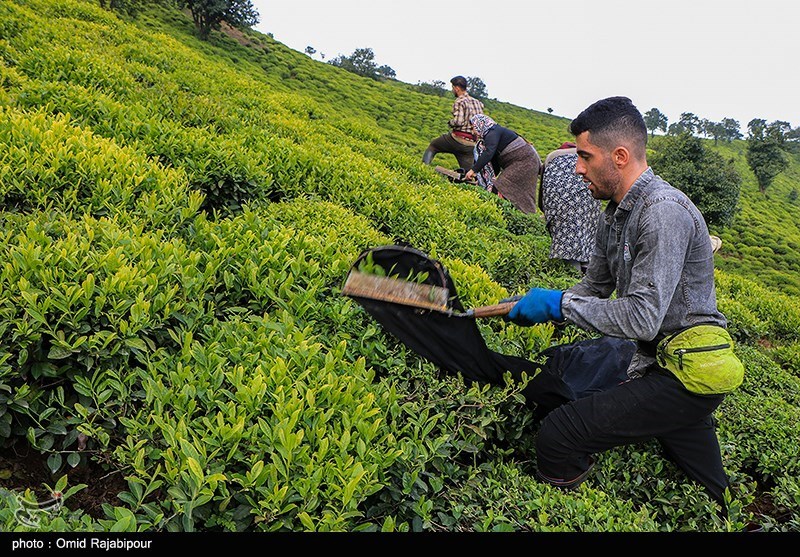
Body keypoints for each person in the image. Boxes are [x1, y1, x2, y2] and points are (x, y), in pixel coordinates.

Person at [506, 96, 734, 511]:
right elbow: (594, 285)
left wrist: (560, 306)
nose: (577, 168)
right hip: (660, 360)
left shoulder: (663, 212)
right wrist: (523, 304)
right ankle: (725, 508)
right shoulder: (614, 214)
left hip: (687, 369)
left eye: (585, 157)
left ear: (621, 156)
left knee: (559, 435)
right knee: (707, 482)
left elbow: (643, 317)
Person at [539, 141, 602, 273]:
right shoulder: (588, 156)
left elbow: (542, 191)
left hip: (559, 201)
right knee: (586, 238)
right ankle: (586, 273)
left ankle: (571, 276)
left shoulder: (553, 156)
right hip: (590, 201)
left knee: (566, 242)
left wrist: (545, 210)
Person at [464, 114, 542, 214]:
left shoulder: (492, 132)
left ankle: (513, 214)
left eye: (473, 128)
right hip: (523, 161)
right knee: (506, 187)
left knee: (502, 185)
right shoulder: (492, 133)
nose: (473, 132)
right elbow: (494, 162)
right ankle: (517, 214)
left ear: (480, 123)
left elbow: (489, 152)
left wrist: (474, 170)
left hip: (525, 161)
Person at [422, 76, 484, 171]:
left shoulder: (459, 101)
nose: (452, 90)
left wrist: (450, 122)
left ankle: (422, 168)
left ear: (457, 88)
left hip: (457, 139)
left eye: (452, 88)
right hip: (471, 144)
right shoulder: (478, 103)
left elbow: (458, 122)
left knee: (433, 146)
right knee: (468, 173)